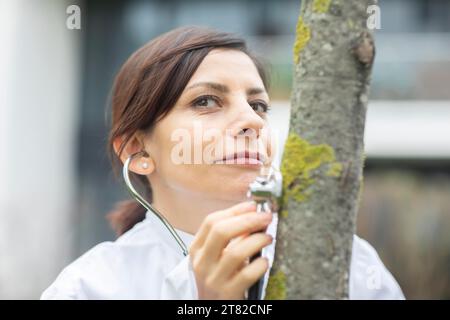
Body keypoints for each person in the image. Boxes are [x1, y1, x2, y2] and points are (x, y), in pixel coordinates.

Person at [41, 26, 405, 300]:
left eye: (258, 105)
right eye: (206, 102)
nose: (252, 121)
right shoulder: (89, 288)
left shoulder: (347, 261)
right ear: (138, 152)